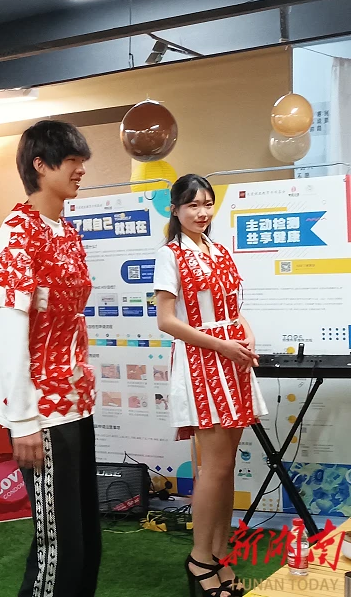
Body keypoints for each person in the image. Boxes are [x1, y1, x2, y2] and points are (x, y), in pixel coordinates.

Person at [0, 120, 100, 597]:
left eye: (81, 161)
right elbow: (8, 331)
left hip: (77, 401)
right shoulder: (16, 234)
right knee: (59, 543)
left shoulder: (67, 233)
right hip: (43, 410)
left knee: (86, 535)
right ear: (40, 165)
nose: (80, 170)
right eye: (72, 160)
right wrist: (22, 420)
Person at [153, 174, 268, 597]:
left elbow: (236, 309)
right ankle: (200, 559)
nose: (202, 212)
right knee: (214, 468)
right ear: (175, 209)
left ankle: (219, 555)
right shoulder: (170, 254)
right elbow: (166, 320)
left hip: (233, 359)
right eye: (192, 205)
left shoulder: (219, 251)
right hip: (203, 362)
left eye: (207, 203)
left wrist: (247, 336)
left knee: (225, 467)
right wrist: (222, 343)